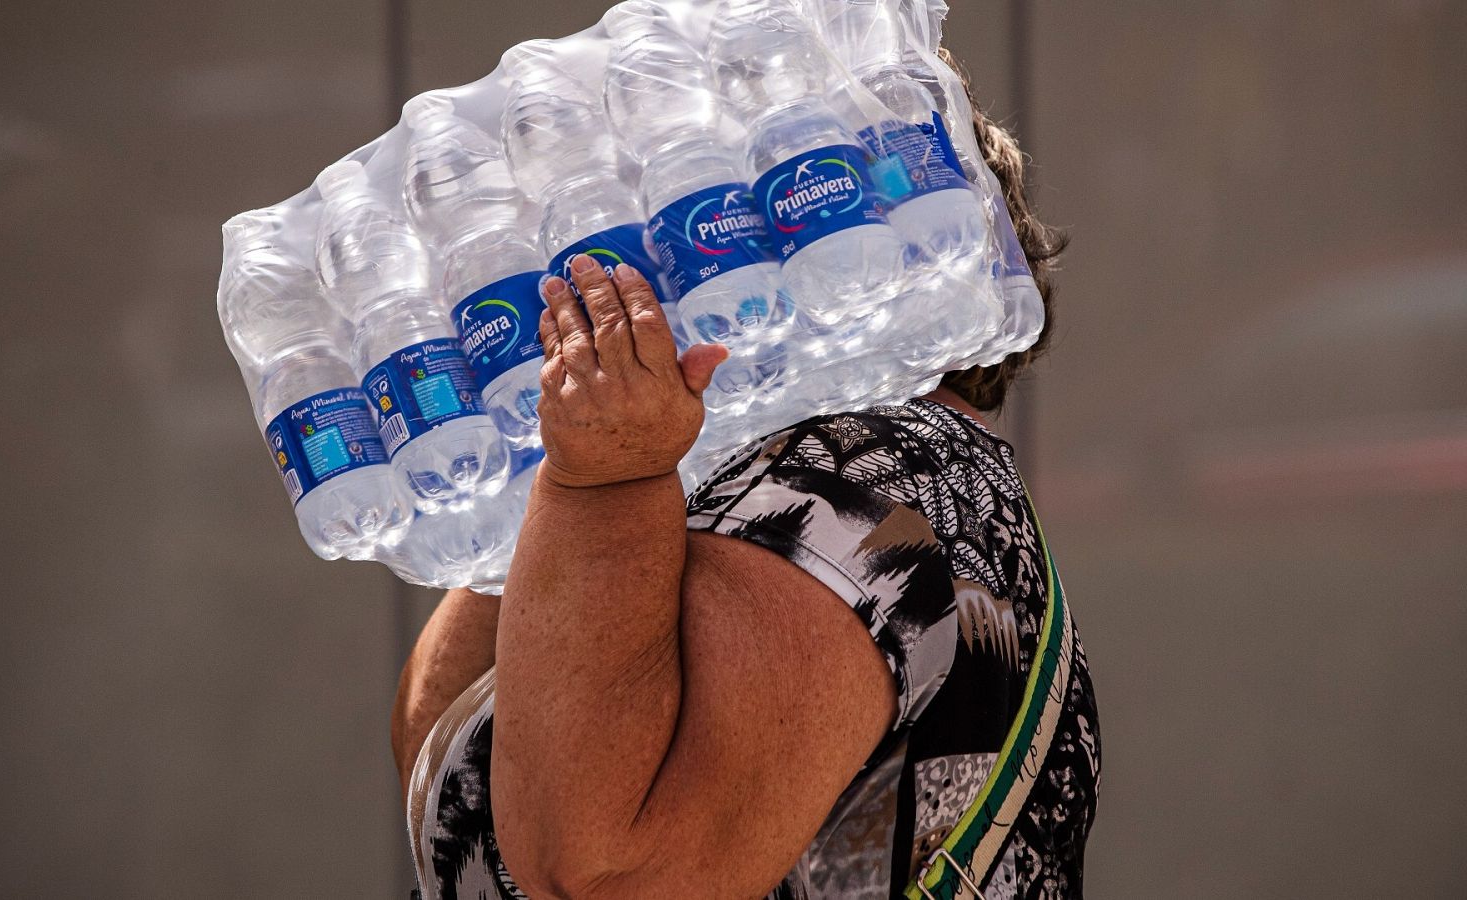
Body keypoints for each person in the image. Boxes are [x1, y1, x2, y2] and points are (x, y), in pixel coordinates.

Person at [394, 53, 1099, 900]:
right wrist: (563, 457)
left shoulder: (892, 470)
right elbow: (448, 776)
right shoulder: (728, 471)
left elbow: (608, 872)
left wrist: (603, 481)